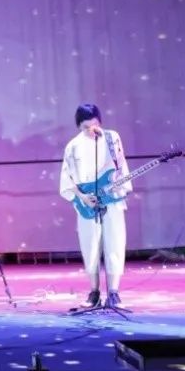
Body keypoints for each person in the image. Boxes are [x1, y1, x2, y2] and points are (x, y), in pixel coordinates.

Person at [58, 104, 132, 308]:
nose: (92, 130)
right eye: (86, 127)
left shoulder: (112, 137)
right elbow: (67, 178)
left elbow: (120, 165)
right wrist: (82, 197)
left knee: (115, 243)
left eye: (95, 125)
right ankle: (94, 292)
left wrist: (119, 185)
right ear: (78, 126)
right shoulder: (73, 146)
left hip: (111, 198)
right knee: (90, 246)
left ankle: (114, 292)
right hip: (87, 202)